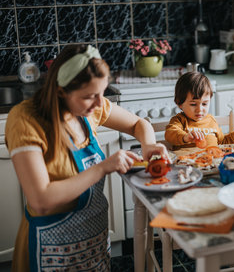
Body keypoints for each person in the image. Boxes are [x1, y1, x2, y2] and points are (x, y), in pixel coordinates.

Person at [5, 44, 170, 271]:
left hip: (94, 244)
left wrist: (149, 144)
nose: (100, 103)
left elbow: (139, 124)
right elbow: (40, 201)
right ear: (61, 91)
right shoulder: (26, 120)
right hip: (51, 252)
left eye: (102, 93)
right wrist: (103, 168)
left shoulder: (90, 109)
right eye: (90, 96)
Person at [165, 71, 234, 149]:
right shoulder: (179, 121)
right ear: (179, 103)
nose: (200, 109)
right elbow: (170, 134)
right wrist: (185, 137)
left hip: (212, 164)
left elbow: (223, 142)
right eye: (193, 104)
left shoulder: (211, 121)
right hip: (188, 166)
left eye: (204, 104)